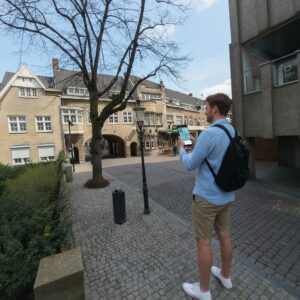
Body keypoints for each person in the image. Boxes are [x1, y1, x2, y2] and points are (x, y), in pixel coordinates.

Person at [178, 93, 235, 300]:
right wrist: (196, 142)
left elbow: (190, 164)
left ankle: (203, 290)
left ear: (215, 109)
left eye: (206, 107)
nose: (204, 111)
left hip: (207, 199)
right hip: (227, 196)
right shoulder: (231, 130)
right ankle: (226, 276)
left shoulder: (210, 133)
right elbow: (214, 155)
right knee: (225, 235)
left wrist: (182, 150)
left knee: (204, 241)